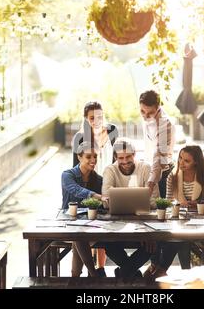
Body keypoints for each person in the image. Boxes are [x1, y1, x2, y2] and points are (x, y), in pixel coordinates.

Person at [144, 145, 204, 278]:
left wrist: (198, 203)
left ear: (196, 161)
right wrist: (177, 206)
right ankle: (157, 267)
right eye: (180, 158)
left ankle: (159, 269)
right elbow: (168, 203)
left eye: (187, 160)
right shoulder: (172, 177)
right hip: (179, 219)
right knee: (159, 236)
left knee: (179, 237)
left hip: (201, 222)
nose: (181, 162)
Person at [101, 138, 159, 278]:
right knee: (109, 244)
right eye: (121, 158)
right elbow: (105, 200)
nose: (125, 161)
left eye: (128, 157)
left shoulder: (146, 168)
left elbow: (154, 201)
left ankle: (124, 273)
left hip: (142, 222)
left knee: (151, 245)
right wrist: (137, 203)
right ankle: (131, 273)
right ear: (115, 157)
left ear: (134, 154)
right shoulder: (110, 170)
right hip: (117, 223)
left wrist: (147, 232)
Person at [71, 101, 118, 274]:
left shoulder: (112, 131)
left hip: (108, 181)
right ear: (85, 119)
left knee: (104, 229)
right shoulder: (80, 137)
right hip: (90, 182)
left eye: (99, 117)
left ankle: (100, 269)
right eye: (92, 118)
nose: (96, 121)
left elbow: (116, 159)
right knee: (87, 229)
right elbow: (75, 165)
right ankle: (88, 274)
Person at [61, 141, 106, 277]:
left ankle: (76, 279)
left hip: (90, 224)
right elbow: (76, 190)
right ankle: (93, 274)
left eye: (95, 157)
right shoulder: (67, 175)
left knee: (80, 236)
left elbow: (101, 205)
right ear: (79, 157)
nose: (93, 160)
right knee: (79, 235)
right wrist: (97, 196)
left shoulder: (98, 180)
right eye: (88, 157)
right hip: (67, 223)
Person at [139, 90, 175, 198]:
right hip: (150, 170)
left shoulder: (165, 124)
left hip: (163, 174)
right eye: (142, 111)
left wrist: (150, 183)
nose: (145, 116)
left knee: (161, 210)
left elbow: (159, 156)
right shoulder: (147, 119)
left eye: (150, 113)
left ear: (158, 107)